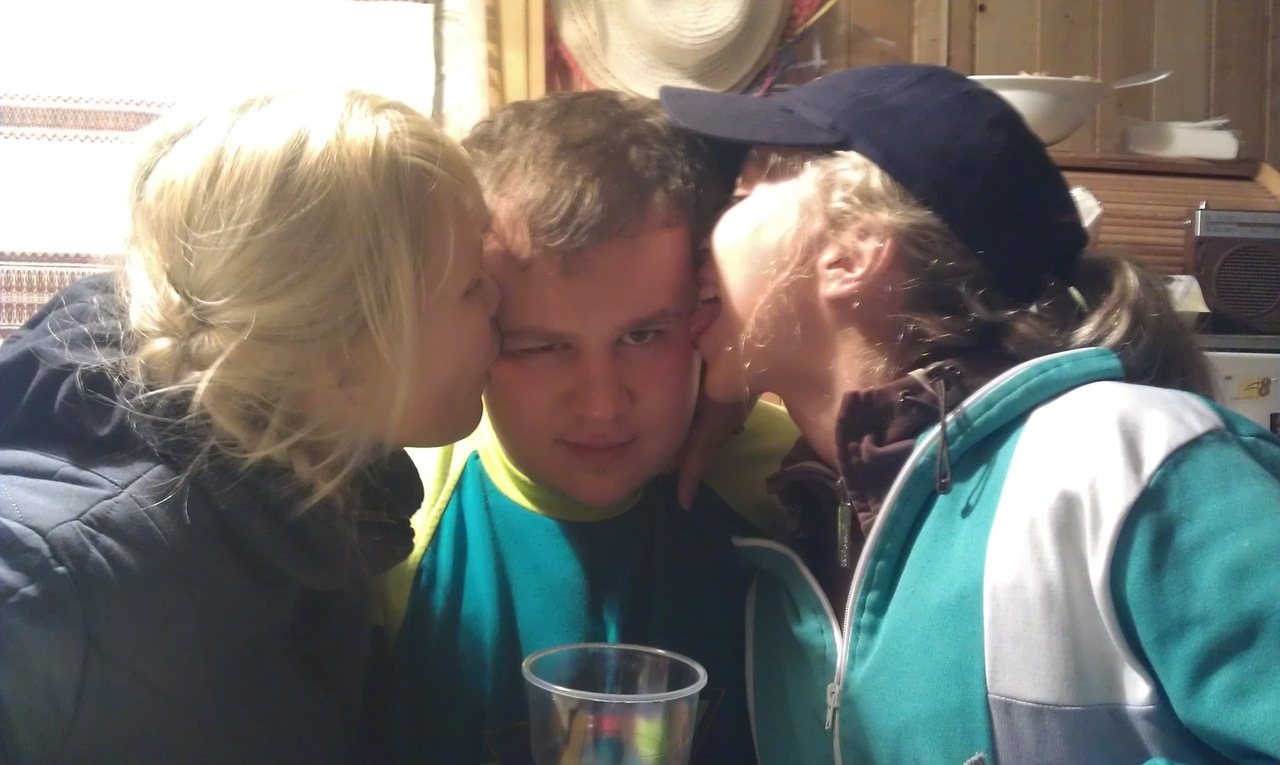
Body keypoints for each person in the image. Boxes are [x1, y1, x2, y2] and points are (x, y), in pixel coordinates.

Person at [658, 64, 1280, 764]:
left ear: (850, 251)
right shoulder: (790, 557)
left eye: (741, 195)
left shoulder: (1128, 461)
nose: (699, 243)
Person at [0, 90, 499, 765]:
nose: (501, 299)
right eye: (471, 285)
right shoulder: (51, 577)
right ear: (341, 363)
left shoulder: (322, 499)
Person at [381, 90, 799, 764]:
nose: (602, 406)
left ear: (706, 309)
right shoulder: (391, 512)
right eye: (542, 347)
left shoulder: (791, 483)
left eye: (643, 336)